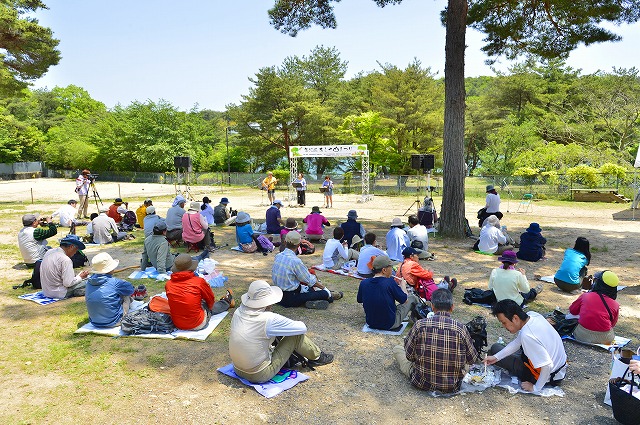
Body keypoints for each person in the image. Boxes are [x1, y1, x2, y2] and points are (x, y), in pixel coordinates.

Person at [229, 280, 334, 383]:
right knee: (295, 336)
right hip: (258, 374)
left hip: (237, 368)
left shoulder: (238, 312)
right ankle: (317, 356)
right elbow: (301, 328)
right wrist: (282, 325)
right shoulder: (268, 318)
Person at [394, 289, 479, 393]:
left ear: (432, 307)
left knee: (397, 348)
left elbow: (409, 356)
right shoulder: (461, 329)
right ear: (452, 307)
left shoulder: (420, 325)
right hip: (452, 386)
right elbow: (472, 359)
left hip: (421, 382)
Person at [485, 300, 567, 393]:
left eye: (504, 322)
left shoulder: (527, 336)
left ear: (515, 318)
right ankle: (498, 356)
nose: (504, 326)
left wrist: (536, 388)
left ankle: (534, 379)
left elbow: (547, 365)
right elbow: (518, 342)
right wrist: (496, 358)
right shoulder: (533, 315)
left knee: (495, 348)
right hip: (560, 368)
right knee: (497, 352)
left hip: (548, 375)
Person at [272, 231, 342, 309]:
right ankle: (326, 295)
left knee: (308, 288)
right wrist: (325, 289)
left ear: (285, 242)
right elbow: (309, 280)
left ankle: (312, 299)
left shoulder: (278, 256)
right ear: (298, 245)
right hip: (290, 298)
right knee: (323, 293)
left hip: (278, 295)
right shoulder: (295, 261)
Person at [165, 254, 234, 331]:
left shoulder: (168, 284)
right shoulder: (198, 282)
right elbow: (210, 300)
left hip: (177, 324)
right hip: (198, 324)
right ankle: (226, 301)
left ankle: (225, 301)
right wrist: (208, 308)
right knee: (206, 304)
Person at [357, 255, 419, 331]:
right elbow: (404, 300)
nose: (392, 269)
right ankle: (419, 320)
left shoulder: (364, 283)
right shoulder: (390, 282)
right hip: (390, 324)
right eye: (391, 267)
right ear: (384, 270)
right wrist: (403, 286)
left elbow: (360, 300)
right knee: (412, 298)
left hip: (371, 322)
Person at [85, 252, 135, 328]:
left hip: (94, 321)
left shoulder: (89, 282)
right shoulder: (115, 282)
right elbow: (130, 290)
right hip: (114, 321)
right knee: (125, 295)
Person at [569, 270, 619, 344]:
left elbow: (572, 311)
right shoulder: (615, 304)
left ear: (598, 284)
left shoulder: (586, 296)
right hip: (606, 339)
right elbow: (612, 324)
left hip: (582, 336)